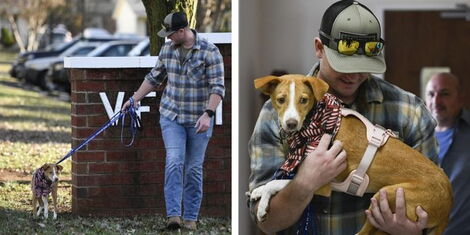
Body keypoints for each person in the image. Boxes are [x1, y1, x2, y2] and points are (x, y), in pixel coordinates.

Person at [248, 0, 438, 234]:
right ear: (319, 48)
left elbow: (434, 203)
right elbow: (266, 221)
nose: (355, 74)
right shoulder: (274, 115)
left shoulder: (410, 113)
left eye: (364, 64)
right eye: (345, 64)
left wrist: (411, 231)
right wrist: (305, 183)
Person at [121, 12, 225, 230]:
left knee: (193, 169)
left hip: (199, 120)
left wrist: (208, 113)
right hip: (172, 117)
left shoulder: (209, 51)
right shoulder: (167, 50)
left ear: (182, 31)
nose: (167, 38)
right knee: (174, 161)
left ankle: (191, 218)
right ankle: (173, 216)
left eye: (170, 34)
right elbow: (154, 77)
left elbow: (218, 87)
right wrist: (134, 99)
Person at [425, 72, 470, 235]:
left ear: (460, 97)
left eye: (444, 94)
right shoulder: (416, 135)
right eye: (431, 94)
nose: (436, 101)